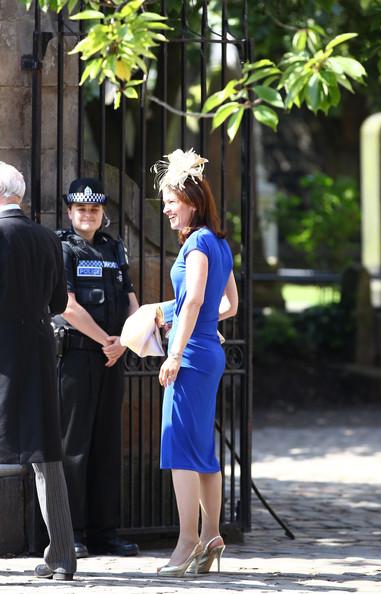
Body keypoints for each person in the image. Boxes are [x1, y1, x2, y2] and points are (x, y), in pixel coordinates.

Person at [152, 148, 238, 577]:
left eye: (170, 201)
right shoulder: (218, 242)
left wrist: (173, 350)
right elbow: (230, 305)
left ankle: (188, 542)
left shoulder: (198, 242)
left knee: (180, 448)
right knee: (201, 448)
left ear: (191, 200)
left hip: (191, 356)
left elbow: (199, 300)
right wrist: (192, 321)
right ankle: (210, 537)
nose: (167, 208)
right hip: (207, 351)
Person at [52, 178, 139, 558]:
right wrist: (107, 339)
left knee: (107, 445)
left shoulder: (114, 247)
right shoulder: (62, 247)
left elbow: (133, 302)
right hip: (76, 356)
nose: (88, 215)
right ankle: (69, 533)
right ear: (70, 211)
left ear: (103, 213)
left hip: (112, 356)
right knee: (73, 447)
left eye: (95, 209)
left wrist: (126, 341)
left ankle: (106, 531)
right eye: (81, 209)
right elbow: (66, 306)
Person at [0, 162, 76, 581]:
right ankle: (62, 557)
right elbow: (59, 304)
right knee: (46, 455)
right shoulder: (48, 238)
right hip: (39, 350)